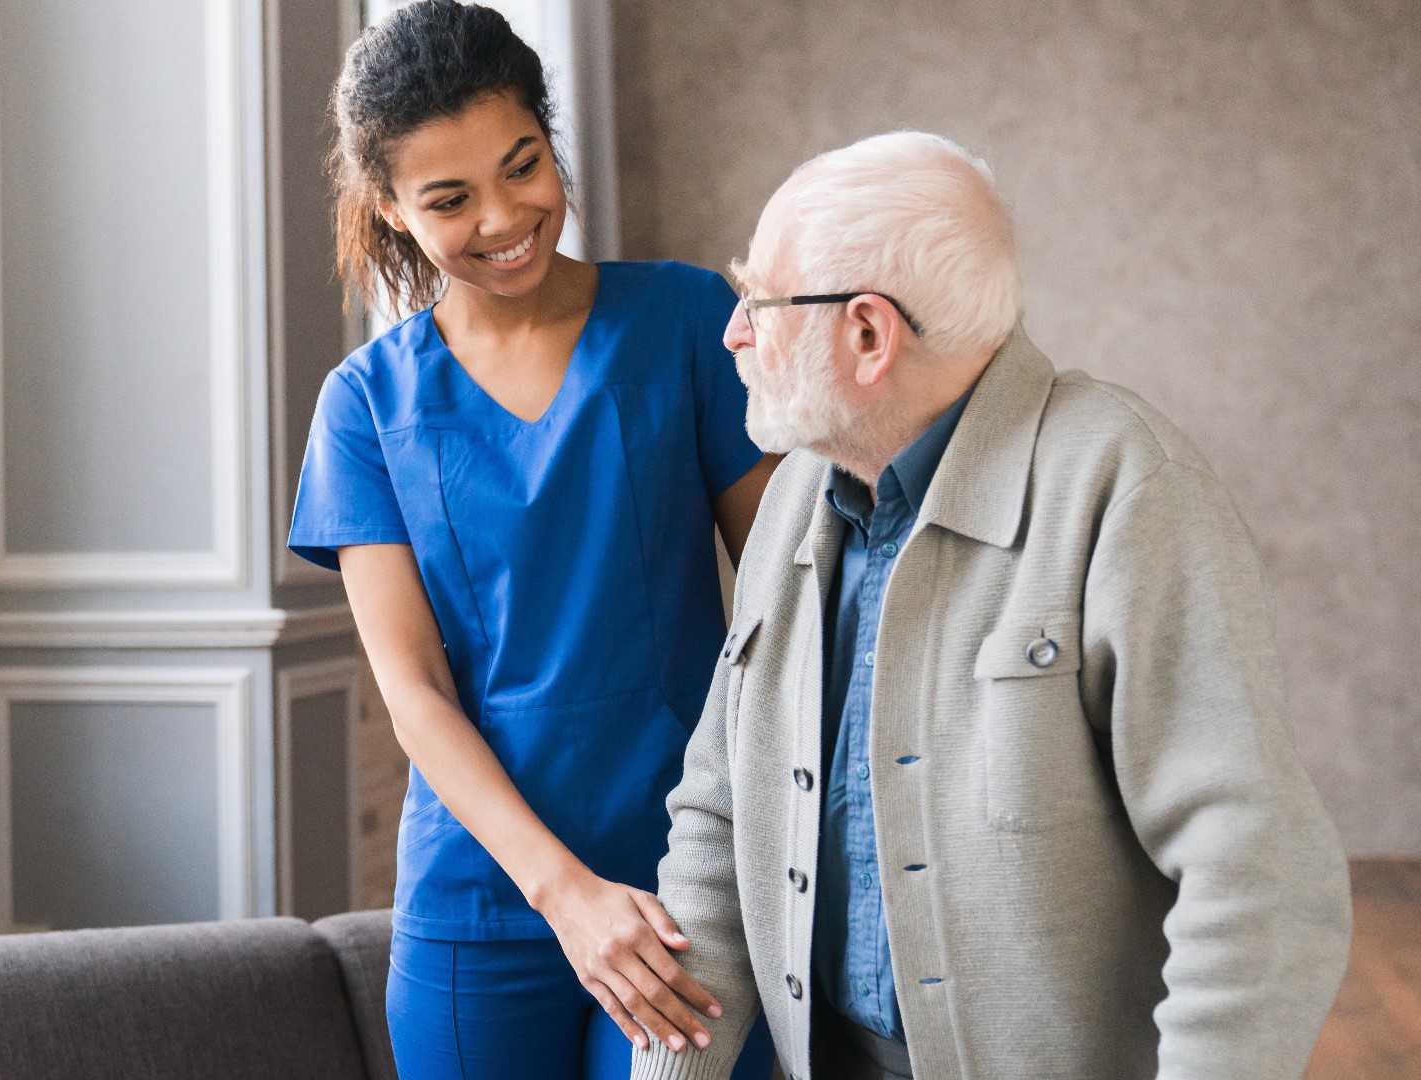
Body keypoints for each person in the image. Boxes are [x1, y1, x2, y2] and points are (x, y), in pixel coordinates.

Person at [631, 131, 1353, 1080]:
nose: (735, 334)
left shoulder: (1125, 486)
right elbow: (722, 819)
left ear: (866, 334)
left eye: (758, 302)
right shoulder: (799, 499)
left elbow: (1258, 879)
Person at [287, 3, 779, 1077]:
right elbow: (413, 691)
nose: (507, 216)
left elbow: (785, 613)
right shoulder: (365, 404)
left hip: (684, 887)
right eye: (451, 198)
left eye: (524, 166)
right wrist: (564, 895)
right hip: (480, 906)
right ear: (391, 207)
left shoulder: (688, 323)